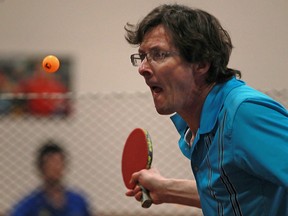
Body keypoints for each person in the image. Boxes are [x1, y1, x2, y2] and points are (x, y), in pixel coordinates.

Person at [124, 4, 288, 216]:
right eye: (142, 56)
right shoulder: (199, 129)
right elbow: (233, 193)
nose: (143, 68)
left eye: (158, 54)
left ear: (201, 63)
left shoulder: (243, 114)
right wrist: (167, 189)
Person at [9, 140, 92, 216]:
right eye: (50, 163)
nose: (55, 168)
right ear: (41, 168)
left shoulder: (78, 201)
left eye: (59, 163)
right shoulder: (29, 205)